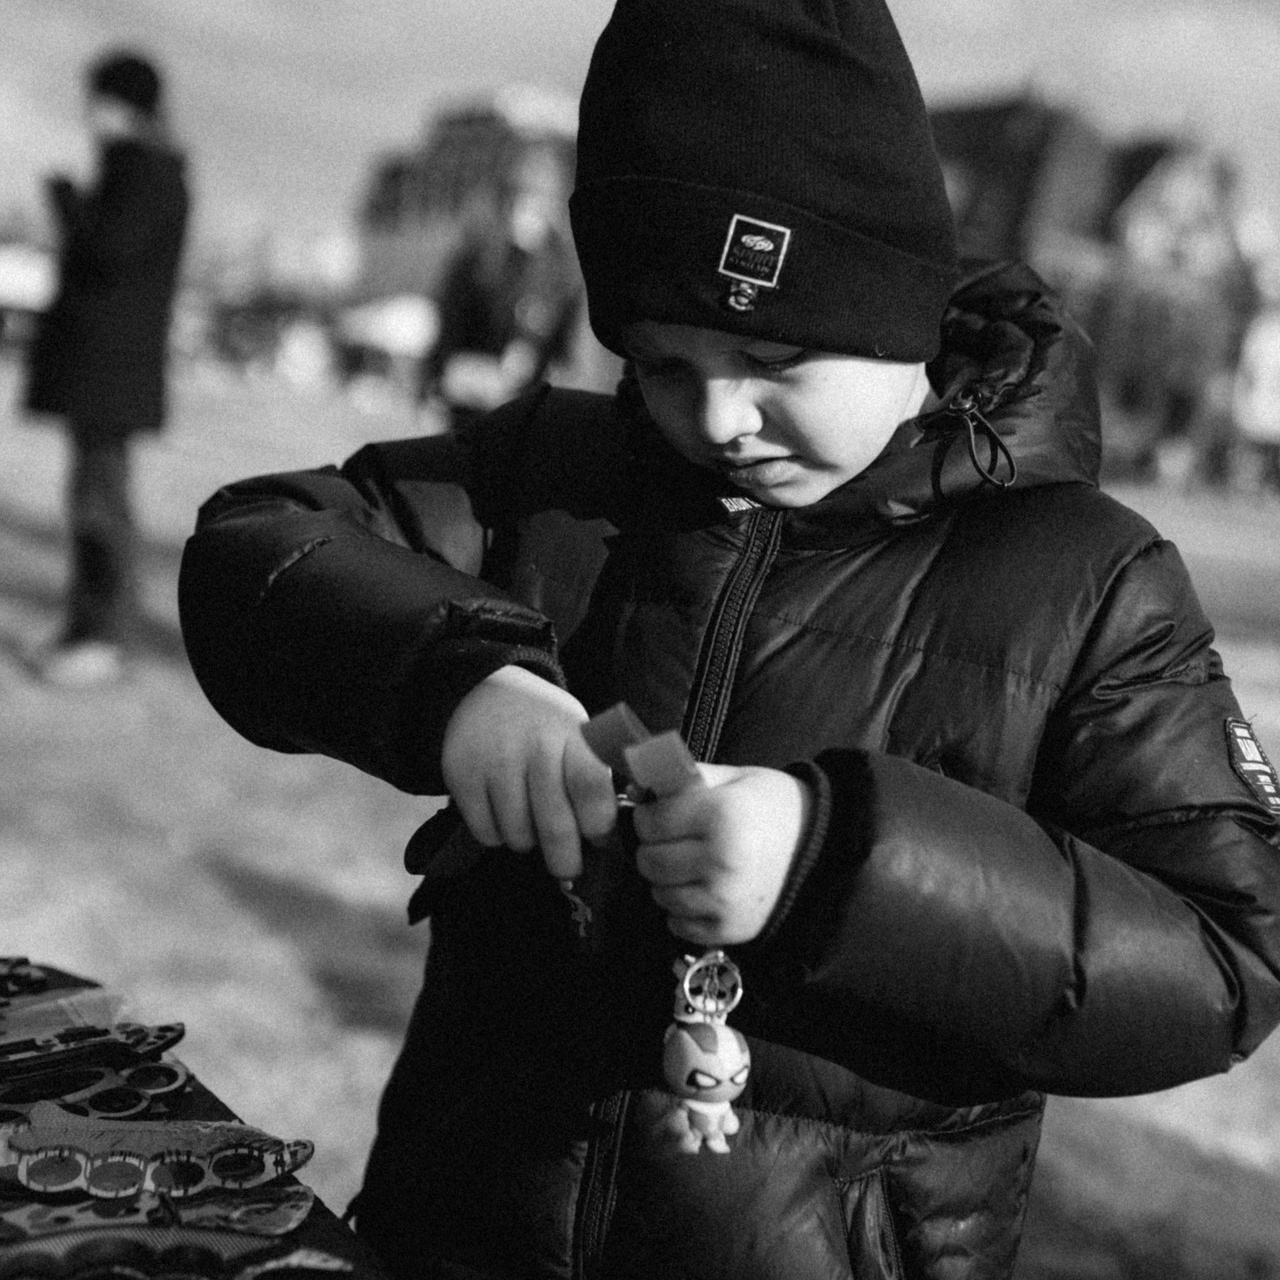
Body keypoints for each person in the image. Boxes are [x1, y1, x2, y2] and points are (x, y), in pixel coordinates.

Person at [178, 1, 1280, 1276]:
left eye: (772, 356)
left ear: (899, 312)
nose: (719, 414)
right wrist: (458, 677)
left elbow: (1225, 949)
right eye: (661, 360)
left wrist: (843, 861)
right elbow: (255, 544)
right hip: (460, 1228)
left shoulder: (1083, 577)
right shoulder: (552, 473)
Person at [23, 49, 190, 687]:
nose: (89, 114)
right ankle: (84, 629)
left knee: (100, 508)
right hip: (112, 371)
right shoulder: (153, 170)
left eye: (97, 100)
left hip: (106, 369)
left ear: (120, 104)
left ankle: (104, 637)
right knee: (92, 501)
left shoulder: (139, 170)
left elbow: (106, 254)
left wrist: (67, 201)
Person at [417, 142, 582, 434]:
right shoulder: (478, 257)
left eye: (534, 203)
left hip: (521, 409)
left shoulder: (562, 271)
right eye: (517, 200)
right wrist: (439, 382)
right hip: (466, 397)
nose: (523, 213)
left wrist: (531, 362)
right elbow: (448, 331)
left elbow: (562, 354)